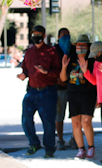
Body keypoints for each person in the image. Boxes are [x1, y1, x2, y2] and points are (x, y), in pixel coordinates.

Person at [17, 25, 61, 158]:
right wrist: (23, 75)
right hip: (31, 91)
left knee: (48, 122)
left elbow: (59, 71)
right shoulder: (29, 52)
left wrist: (46, 72)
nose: (35, 37)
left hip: (47, 91)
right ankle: (34, 143)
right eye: (33, 34)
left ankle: (49, 148)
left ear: (43, 35)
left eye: (38, 34)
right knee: (26, 119)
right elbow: (25, 68)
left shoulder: (51, 51)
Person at [60, 34, 97, 159]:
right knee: (75, 123)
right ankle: (81, 149)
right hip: (73, 94)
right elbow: (63, 79)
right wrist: (64, 67)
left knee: (86, 122)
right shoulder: (70, 59)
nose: (80, 47)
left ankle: (91, 147)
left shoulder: (92, 60)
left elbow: (95, 81)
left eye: (83, 45)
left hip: (88, 94)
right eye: (78, 45)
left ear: (88, 47)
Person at [54, 28, 76, 150]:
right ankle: (60, 139)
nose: (65, 37)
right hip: (59, 87)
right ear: (58, 37)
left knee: (75, 115)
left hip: (73, 86)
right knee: (59, 115)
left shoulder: (73, 49)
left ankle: (74, 138)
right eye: (63, 35)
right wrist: (58, 80)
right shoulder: (54, 50)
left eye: (67, 34)